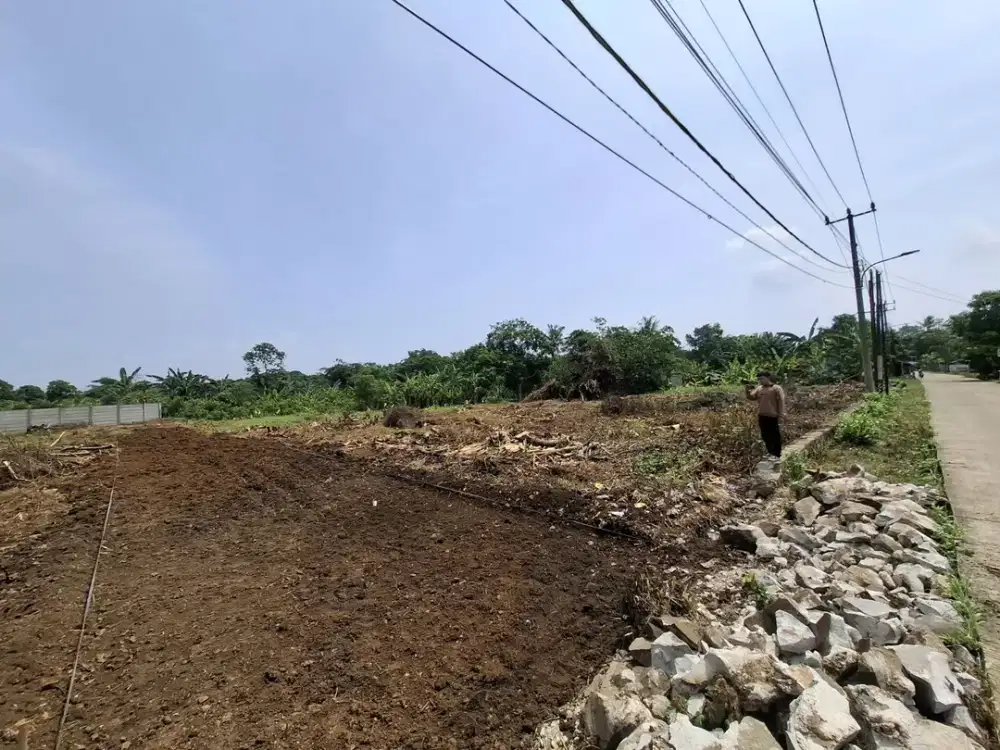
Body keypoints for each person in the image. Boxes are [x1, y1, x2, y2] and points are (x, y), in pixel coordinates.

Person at [746, 371, 786, 458]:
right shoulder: (759, 388)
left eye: (762, 379)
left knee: (774, 435)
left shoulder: (776, 388)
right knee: (765, 435)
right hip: (762, 415)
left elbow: (781, 401)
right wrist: (747, 391)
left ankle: (776, 453)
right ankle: (770, 452)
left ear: (768, 378)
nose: (760, 381)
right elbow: (751, 397)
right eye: (759, 379)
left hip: (773, 415)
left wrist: (781, 414)